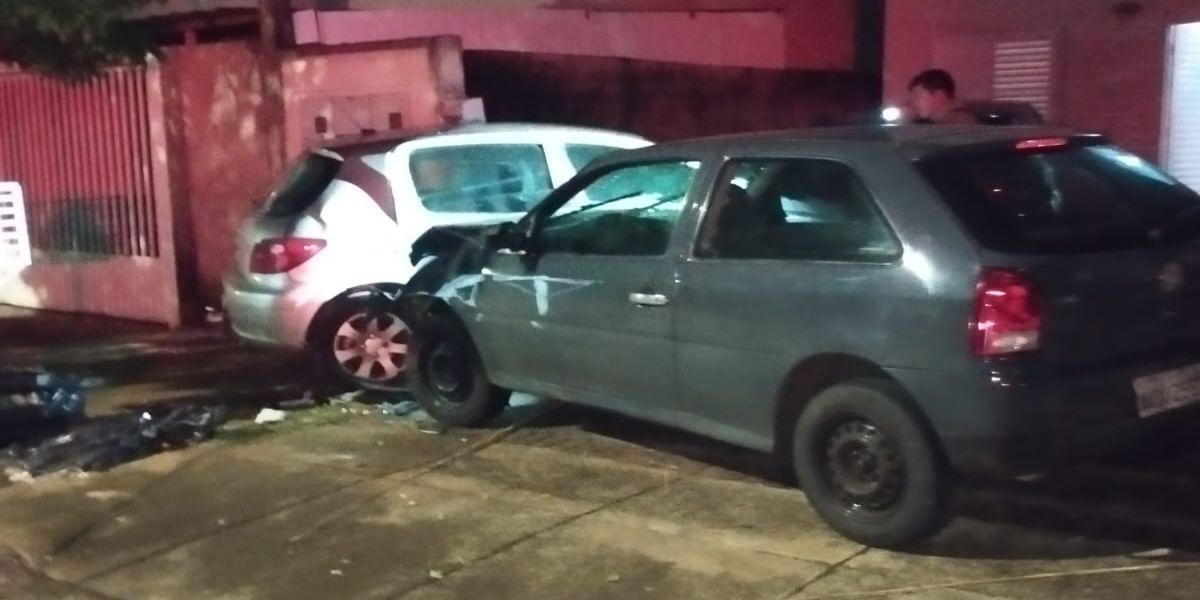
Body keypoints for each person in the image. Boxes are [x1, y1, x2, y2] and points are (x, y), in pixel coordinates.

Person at [907, 69, 978, 125]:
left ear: (940, 95)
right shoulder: (934, 123)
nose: (914, 103)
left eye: (919, 96)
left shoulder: (962, 122)